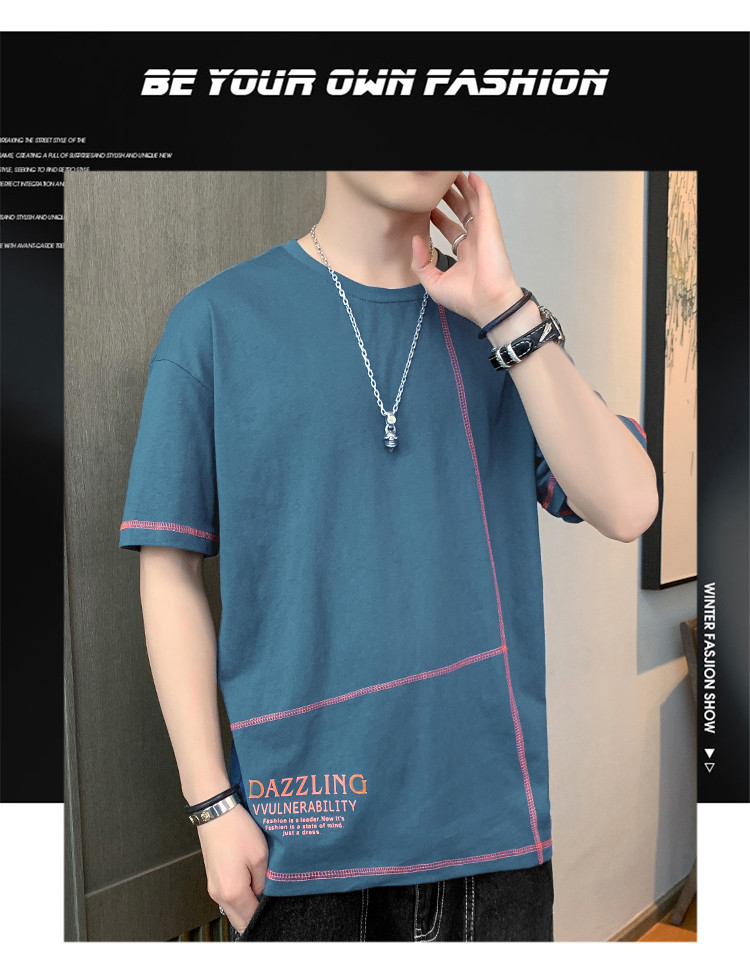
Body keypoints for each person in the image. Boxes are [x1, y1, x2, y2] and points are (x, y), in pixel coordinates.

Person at [119, 171, 658, 942]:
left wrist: (505, 307)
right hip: (297, 849)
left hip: (491, 845)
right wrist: (210, 804)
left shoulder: (503, 335)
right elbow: (168, 566)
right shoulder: (215, 324)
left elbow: (629, 507)